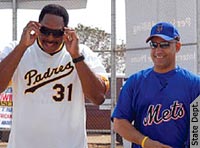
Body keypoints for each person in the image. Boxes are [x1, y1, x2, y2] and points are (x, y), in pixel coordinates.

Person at [0, 4, 109, 148]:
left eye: (57, 33)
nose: (50, 38)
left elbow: (98, 97)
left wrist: (76, 57)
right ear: (37, 27)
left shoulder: (81, 52)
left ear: (65, 31)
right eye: (45, 31)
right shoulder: (17, 48)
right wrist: (21, 47)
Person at [112, 22, 200, 148]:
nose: (158, 50)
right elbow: (119, 122)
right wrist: (145, 142)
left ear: (178, 46)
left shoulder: (195, 84)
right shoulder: (135, 82)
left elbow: (197, 131)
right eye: (154, 45)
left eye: (164, 45)